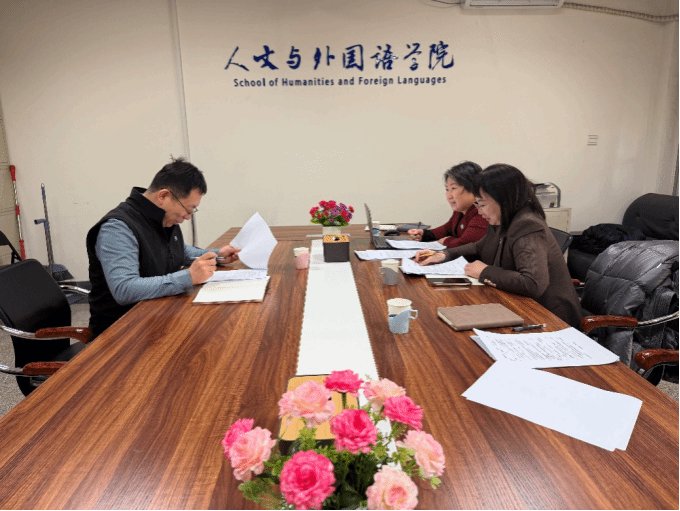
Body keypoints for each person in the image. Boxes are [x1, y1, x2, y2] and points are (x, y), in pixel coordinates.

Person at [86, 157, 240, 337]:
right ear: (163, 196)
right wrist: (188, 277)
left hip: (157, 317)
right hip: (121, 334)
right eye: (188, 210)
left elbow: (178, 251)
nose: (188, 217)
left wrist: (217, 254)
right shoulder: (118, 228)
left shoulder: (161, 218)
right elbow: (124, 289)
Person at [415, 164, 582, 328]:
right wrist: (444, 255)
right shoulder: (501, 219)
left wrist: (484, 272)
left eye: (482, 204)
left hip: (549, 316)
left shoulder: (527, 225)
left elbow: (532, 283)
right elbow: (478, 247)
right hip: (516, 303)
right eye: (477, 204)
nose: (479, 212)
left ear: (503, 200)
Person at [407, 161, 488, 249]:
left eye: (453, 188)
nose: (449, 196)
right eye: (447, 189)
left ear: (473, 189)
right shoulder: (460, 211)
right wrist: (425, 234)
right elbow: (447, 229)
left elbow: (466, 244)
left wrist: (446, 241)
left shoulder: (481, 213)